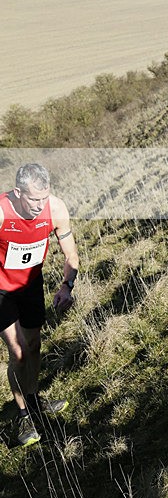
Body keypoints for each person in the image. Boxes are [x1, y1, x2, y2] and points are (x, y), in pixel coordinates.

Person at [0, 163, 78, 447]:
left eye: (43, 198)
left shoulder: (55, 208)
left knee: (33, 346)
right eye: (34, 199)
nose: (39, 205)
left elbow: (71, 255)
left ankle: (32, 400)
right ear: (18, 192)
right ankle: (23, 416)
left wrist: (67, 286)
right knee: (19, 352)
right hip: (1, 291)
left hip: (31, 285)